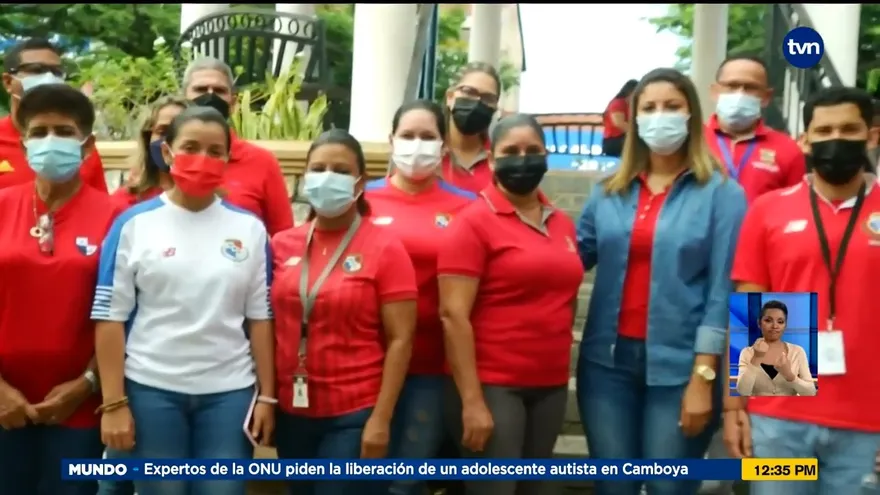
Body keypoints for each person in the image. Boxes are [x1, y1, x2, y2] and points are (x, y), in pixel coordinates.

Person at [575, 68, 746, 495]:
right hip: (605, 365)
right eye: (648, 108)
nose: (659, 116)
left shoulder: (723, 193)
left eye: (671, 106)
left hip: (682, 367)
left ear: (692, 113)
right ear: (633, 120)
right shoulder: (607, 191)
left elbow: (724, 292)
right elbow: (568, 262)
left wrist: (704, 379)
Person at [92, 106, 275, 495]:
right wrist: (114, 403)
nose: (203, 159)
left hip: (229, 393)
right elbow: (109, 318)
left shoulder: (250, 229)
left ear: (227, 158)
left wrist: (268, 397)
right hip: (151, 389)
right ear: (167, 152)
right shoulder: (133, 224)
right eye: (190, 147)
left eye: (215, 150)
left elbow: (260, 318)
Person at [724, 86, 880, 494]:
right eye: (824, 129)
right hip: (779, 413)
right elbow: (750, 308)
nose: (836, 139)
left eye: (849, 128)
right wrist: (734, 406)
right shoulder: (769, 209)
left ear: (872, 135)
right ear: (805, 140)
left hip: (869, 422)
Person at [437, 113, 582, 495]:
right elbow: (453, 315)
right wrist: (472, 401)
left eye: (532, 150)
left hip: (549, 383)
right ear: (491, 159)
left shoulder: (563, 224)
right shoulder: (471, 223)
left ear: (547, 156)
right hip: (493, 385)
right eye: (511, 151)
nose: (523, 159)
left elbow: (563, 298)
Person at [271, 129, 417, 495]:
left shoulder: (386, 248)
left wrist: (381, 419)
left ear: (359, 183)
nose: (327, 177)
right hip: (292, 412)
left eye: (339, 170)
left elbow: (401, 339)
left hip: (355, 412)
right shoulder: (281, 243)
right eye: (318, 168)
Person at [0, 83, 120, 495]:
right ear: (24, 142)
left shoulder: (118, 218)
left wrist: (87, 383)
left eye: (65, 131)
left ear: (87, 146)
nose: (51, 140)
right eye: (39, 131)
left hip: (80, 405)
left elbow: (132, 313)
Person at [364, 99, 476, 495]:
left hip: (432, 364)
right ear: (391, 140)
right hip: (364, 364)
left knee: (406, 482)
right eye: (408, 136)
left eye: (427, 136)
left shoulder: (468, 208)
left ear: (444, 146)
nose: (417, 145)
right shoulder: (362, 201)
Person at [182, 57, 293, 235]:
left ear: (233, 103)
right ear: (183, 98)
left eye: (219, 90)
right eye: (200, 89)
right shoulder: (166, 156)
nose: (210, 96)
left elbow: (283, 237)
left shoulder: (262, 162)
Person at [0, 37, 108, 192]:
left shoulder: (79, 144)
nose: (49, 77)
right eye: (36, 70)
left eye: (56, 72)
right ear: (8, 82)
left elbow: (99, 207)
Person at [705, 56, 805, 203]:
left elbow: (795, 206)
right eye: (732, 85)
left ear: (766, 96)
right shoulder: (692, 140)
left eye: (750, 87)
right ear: (715, 91)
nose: (740, 94)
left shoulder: (788, 149)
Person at [112, 96, 189, 209]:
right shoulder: (124, 204)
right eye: (163, 131)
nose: (172, 140)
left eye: (182, 131)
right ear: (147, 139)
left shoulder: (214, 201)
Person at [441, 62, 501, 194]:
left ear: (495, 107)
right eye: (468, 92)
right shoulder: (426, 152)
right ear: (450, 97)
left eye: (488, 98)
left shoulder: (499, 160)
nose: (477, 102)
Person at [735, 300, 817, 397]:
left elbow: (811, 392)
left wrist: (790, 376)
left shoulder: (797, 351)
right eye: (768, 320)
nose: (775, 326)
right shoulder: (747, 353)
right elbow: (743, 391)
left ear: (785, 325)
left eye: (780, 322)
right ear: (759, 323)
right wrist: (756, 358)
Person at [602, 79, 638, 157]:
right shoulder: (618, 103)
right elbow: (619, 123)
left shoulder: (629, 104)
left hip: (623, 138)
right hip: (614, 141)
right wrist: (637, 134)